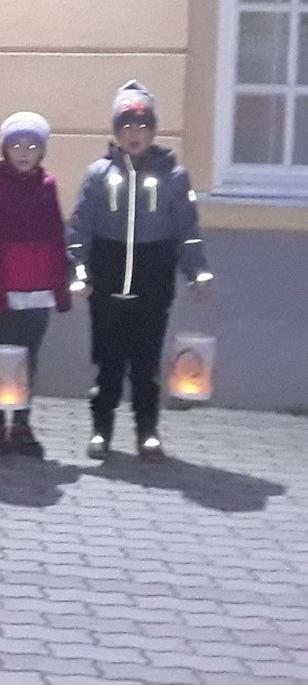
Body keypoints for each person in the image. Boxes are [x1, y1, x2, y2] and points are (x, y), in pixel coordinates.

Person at [69, 81, 213, 461]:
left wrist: (197, 270)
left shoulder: (173, 177)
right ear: (116, 132)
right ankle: (101, 430)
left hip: (153, 281)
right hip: (108, 280)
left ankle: (147, 431)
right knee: (108, 363)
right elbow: (81, 227)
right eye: (127, 126)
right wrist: (79, 270)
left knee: (146, 364)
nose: (135, 134)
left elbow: (187, 229)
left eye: (143, 126)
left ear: (153, 131)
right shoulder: (99, 174)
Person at [0, 111, 71, 459]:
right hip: (6, 284)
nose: (24, 153)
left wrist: (62, 284)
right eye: (16, 145)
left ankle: (22, 423)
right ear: (5, 148)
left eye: (32, 146)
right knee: (3, 355)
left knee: (29, 356)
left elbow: (56, 235)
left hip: (39, 286)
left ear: (42, 151)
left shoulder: (47, 186)